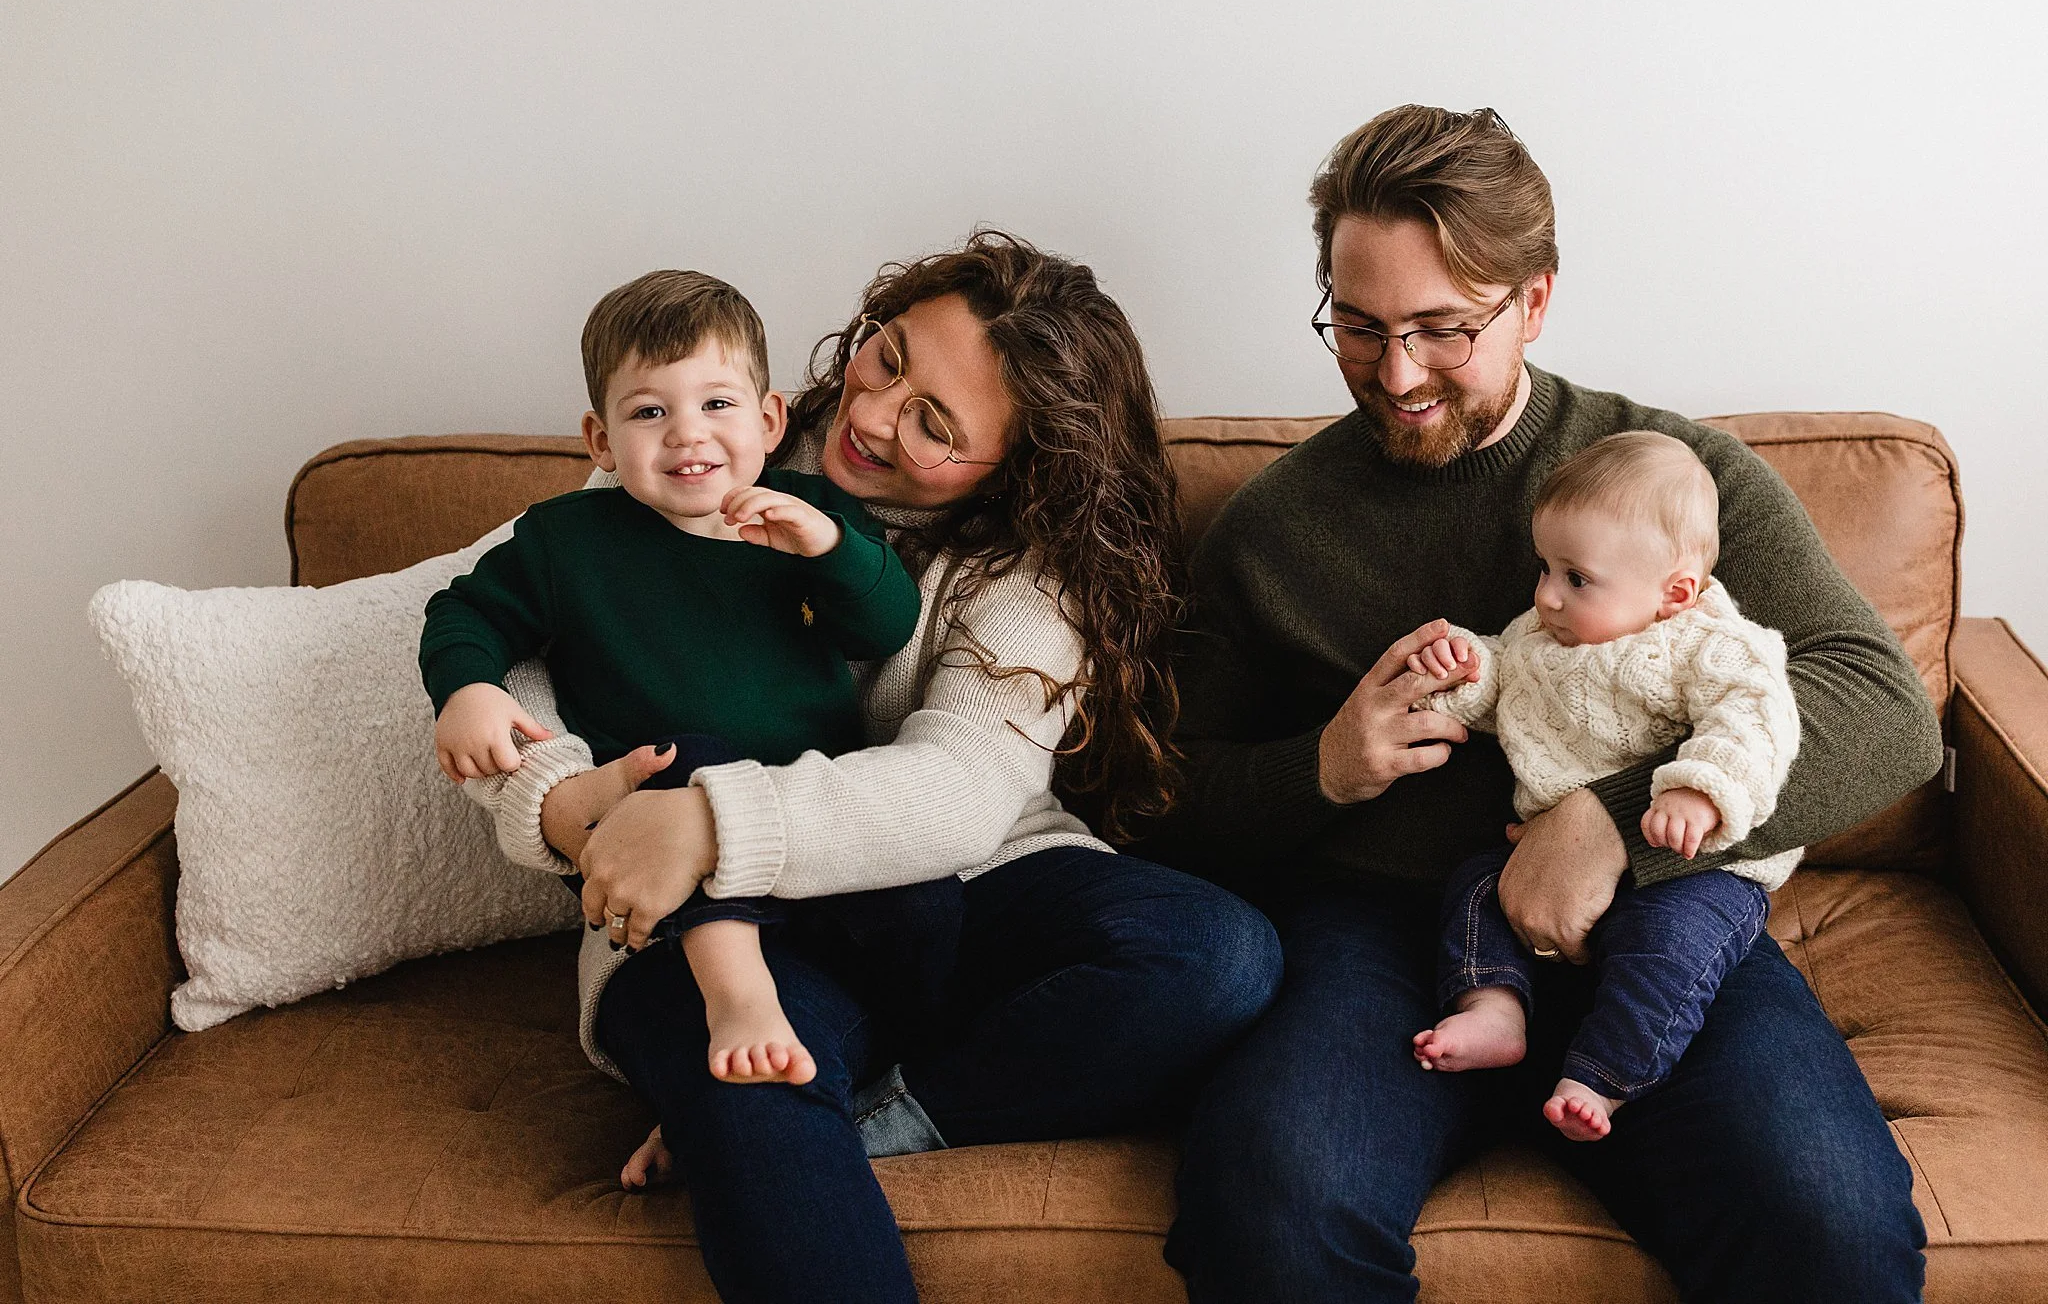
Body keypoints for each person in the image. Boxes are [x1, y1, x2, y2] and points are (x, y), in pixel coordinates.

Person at [1150, 106, 1938, 1302]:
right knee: (1265, 1207)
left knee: (1829, 1226)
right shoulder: (1272, 532)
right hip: (1386, 940)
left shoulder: (1675, 481)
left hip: (1664, 923)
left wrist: (1605, 824)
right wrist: (1319, 768)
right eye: (1356, 327)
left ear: (1533, 301)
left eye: (1440, 328)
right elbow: (1163, 794)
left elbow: (1884, 709)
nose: (1395, 374)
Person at [459, 231, 1283, 1303]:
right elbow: (528, 643)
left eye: (935, 424)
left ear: (1020, 464)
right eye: (886, 358)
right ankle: (782, 1103)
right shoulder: (705, 422)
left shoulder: (1031, 573)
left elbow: (957, 791)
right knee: (746, 1077)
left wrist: (712, 817)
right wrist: (570, 809)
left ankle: (881, 1113)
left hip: (954, 886)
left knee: (1218, 955)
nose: (872, 415)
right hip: (714, 928)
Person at [422, 269, 930, 1089]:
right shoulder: (569, 542)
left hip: (803, 824)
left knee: (926, 904)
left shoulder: (805, 515)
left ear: (769, 419)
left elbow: (886, 626)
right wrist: (469, 689)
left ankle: (822, 1079)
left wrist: (834, 553)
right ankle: (739, 999)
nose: (687, 435)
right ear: (600, 441)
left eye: (717, 404)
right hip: (658, 837)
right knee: (684, 758)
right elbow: (464, 611)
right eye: (650, 411)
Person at [1405, 430, 1800, 1142]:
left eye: (1575, 577)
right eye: (1546, 567)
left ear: (1673, 592)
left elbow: (1755, 715)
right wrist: (1461, 671)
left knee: (1669, 947)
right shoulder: (1543, 633)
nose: (1547, 594)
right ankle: (1494, 1008)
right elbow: (1504, 683)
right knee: (1473, 886)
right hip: (1542, 863)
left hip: (1691, 865)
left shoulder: (1709, 642)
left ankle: (1605, 1076)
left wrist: (1699, 790)